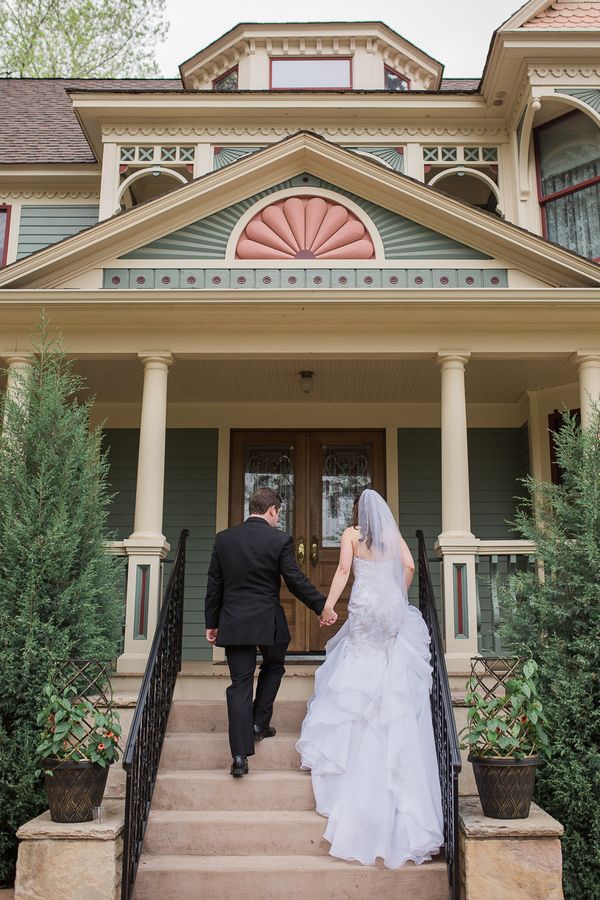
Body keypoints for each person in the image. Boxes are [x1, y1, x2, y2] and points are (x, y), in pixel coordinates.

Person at [296, 488, 443, 868]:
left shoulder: (350, 535)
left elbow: (344, 571)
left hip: (364, 608)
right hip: (390, 607)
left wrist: (328, 605)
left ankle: (349, 747)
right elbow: (408, 567)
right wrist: (395, 593)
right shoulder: (393, 539)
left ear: (359, 513)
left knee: (356, 662)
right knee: (385, 663)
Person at [204, 486, 337, 777]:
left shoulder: (224, 539)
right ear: (272, 510)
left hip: (234, 621)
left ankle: (239, 756)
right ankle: (258, 722)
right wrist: (321, 606)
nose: (278, 519)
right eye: (278, 514)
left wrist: (211, 623)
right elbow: (294, 580)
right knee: (274, 666)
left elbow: (215, 584)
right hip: (268, 622)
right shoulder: (278, 540)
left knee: (239, 683)